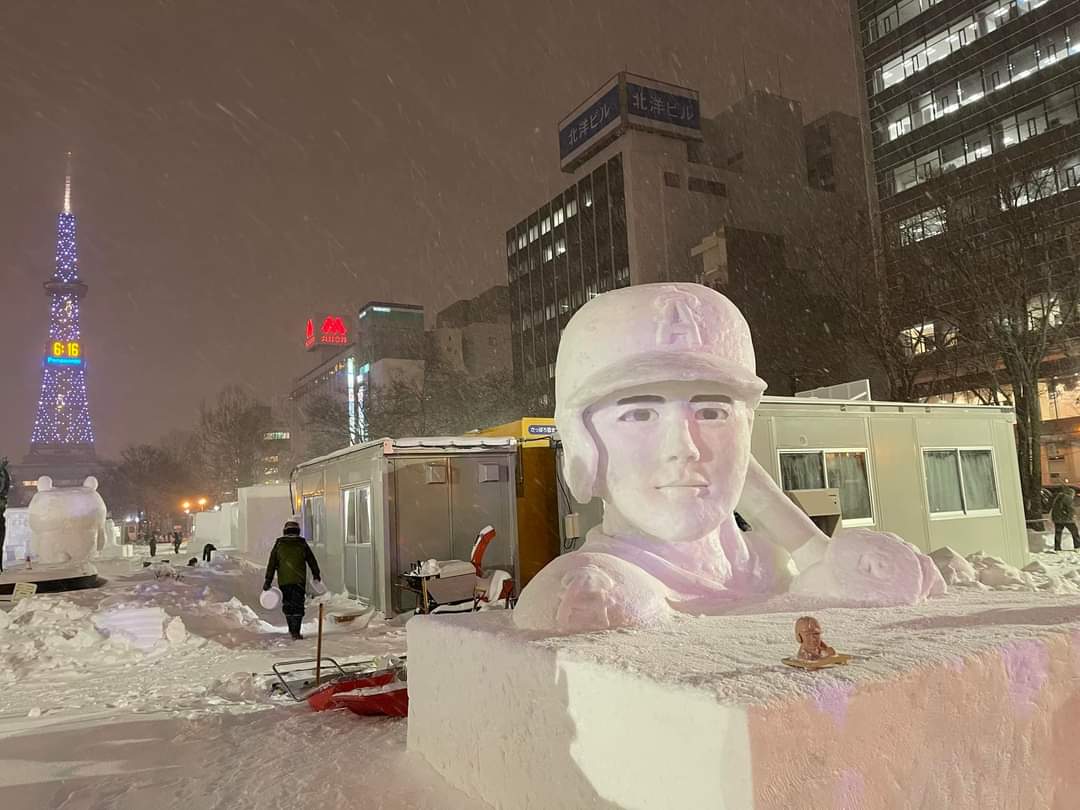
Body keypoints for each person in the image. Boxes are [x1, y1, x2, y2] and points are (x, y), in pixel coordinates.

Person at [263, 519, 322, 640]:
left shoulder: (279, 545)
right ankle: (296, 630)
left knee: (288, 604)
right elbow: (312, 561)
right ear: (298, 531)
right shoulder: (302, 544)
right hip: (299, 580)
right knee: (298, 605)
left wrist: (268, 581)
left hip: (284, 582)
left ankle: (291, 628)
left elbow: (271, 564)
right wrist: (316, 574)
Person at [1051, 487, 1078, 552]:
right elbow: (1070, 509)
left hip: (1057, 519)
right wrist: (1072, 516)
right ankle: (1078, 545)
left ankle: (1057, 547)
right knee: (1075, 531)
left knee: (1058, 533)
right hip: (1066, 519)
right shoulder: (1068, 498)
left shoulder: (1058, 498)